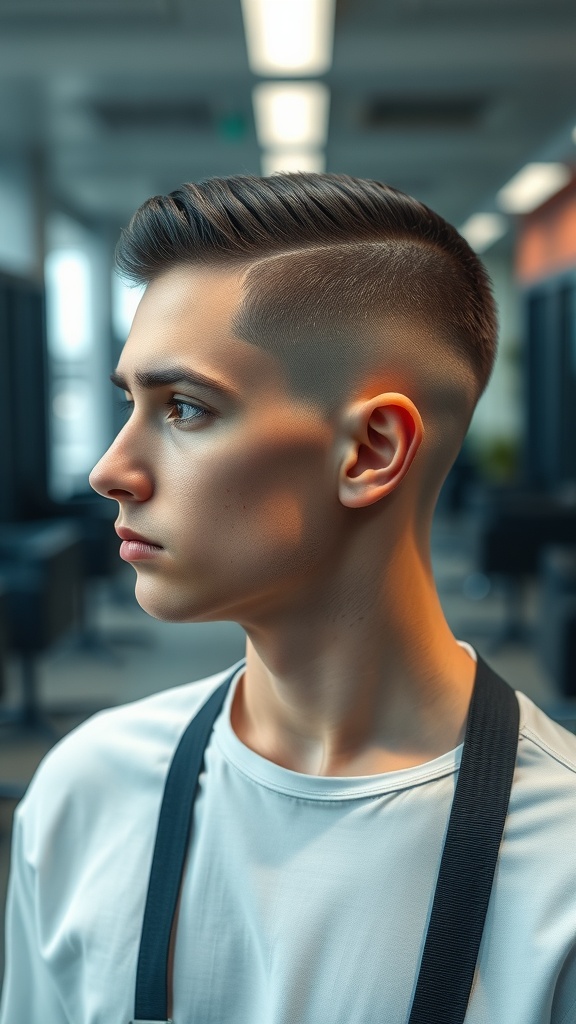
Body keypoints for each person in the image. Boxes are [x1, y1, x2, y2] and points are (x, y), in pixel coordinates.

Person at [2, 172, 576, 1024]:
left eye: (185, 408)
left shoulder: (561, 868)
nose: (109, 471)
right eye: (132, 402)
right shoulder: (84, 796)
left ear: (370, 450)